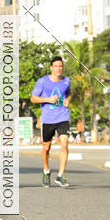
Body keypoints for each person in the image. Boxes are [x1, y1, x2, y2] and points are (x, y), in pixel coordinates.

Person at [30, 56, 72, 187]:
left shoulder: (66, 81)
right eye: (56, 66)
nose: (58, 68)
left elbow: (69, 93)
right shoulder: (42, 82)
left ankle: (60, 175)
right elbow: (33, 98)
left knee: (64, 145)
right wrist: (48, 100)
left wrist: (67, 100)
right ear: (51, 67)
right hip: (48, 119)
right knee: (46, 148)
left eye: (60, 66)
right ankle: (46, 171)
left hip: (63, 117)